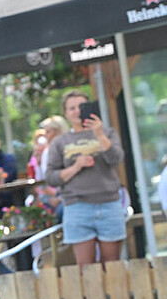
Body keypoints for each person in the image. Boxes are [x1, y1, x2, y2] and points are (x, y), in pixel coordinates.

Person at [46, 90, 126, 265]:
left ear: (90, 107)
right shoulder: (60, 142)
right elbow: (51, 177)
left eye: (81, 106)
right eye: (71, 108)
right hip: (77, 207)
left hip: (109, 203)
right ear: (65, 113)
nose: (76, 111)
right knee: (85, 266)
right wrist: (76, 166)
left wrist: (99, 134)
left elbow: (116, 159)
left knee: (112, 263)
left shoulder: (107, 132)